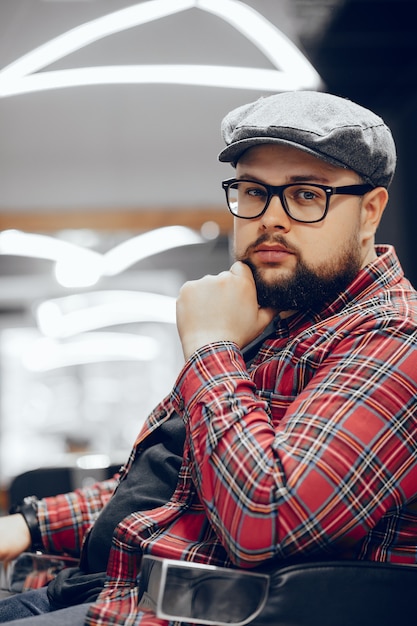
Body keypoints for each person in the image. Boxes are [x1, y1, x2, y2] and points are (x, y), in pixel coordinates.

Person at [0, 90, 416, 625]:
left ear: (370, 212)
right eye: (252, 192)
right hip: (107, 589)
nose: (272, 219)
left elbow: (264, 518)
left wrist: (210, 345)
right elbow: (175, 484)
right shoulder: (277, 318)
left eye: (306, 194)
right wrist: (29, 526)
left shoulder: (392, 338)